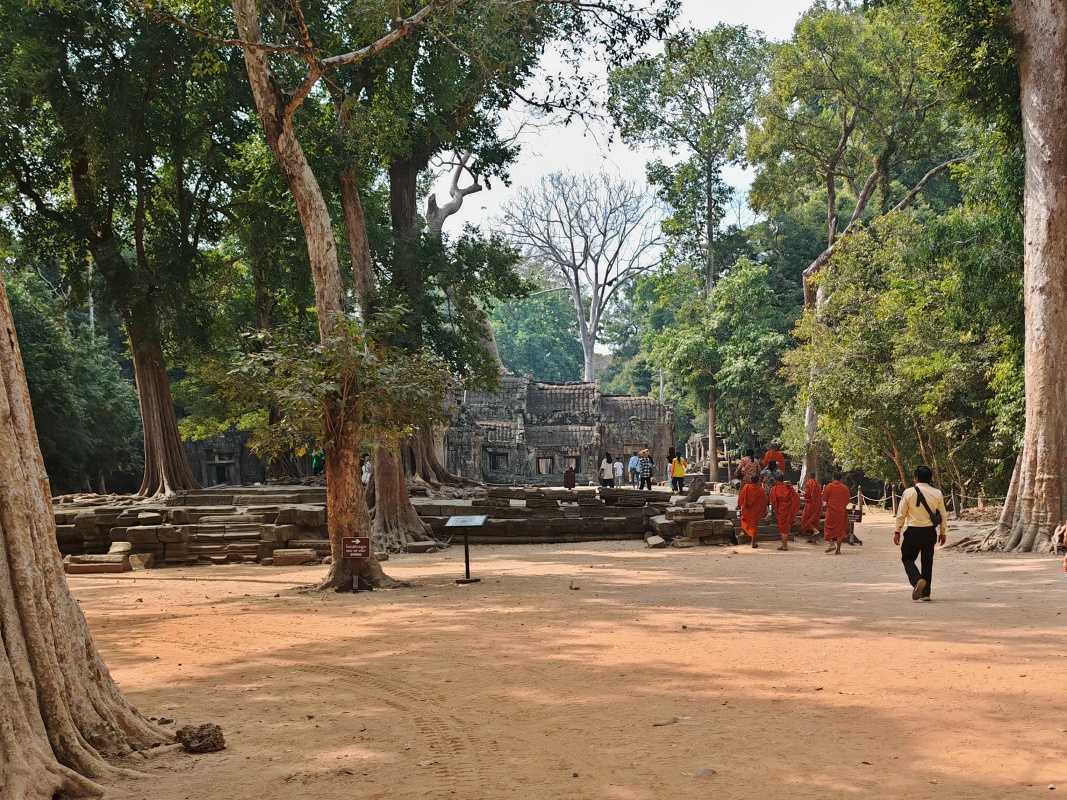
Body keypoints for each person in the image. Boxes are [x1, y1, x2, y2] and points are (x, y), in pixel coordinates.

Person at [893, 465, 948, 601]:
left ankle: (917, 580)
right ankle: (926, 594)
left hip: (913, 531)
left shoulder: (908, 492)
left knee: (907, 558)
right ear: (930, 478)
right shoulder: (937, 493)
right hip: (929, 532)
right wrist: (943, 532)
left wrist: (897, 531)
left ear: (916, 478)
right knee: (927, 562)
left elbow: (901, 514)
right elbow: (943, 514)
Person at [822, 472, 851, 555]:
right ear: (841, 479)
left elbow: (824, 500)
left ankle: (831, 544)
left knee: (828, 528)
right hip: (841, 512)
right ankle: (838, 550)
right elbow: (847, 500)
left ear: (833, 478)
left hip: (831, 512)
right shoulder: (845, 488)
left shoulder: (829, 486)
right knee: (840, 531)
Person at [736, 474, 769, 548]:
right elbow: (764, 501)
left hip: (746, 509)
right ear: (758, 481)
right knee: (754, 525)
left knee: (744, 520)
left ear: (751, 480)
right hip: (755, 510)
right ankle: (753, 542)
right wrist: (764, 510)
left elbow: (741, 496)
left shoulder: (746, 487)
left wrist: (739, 505)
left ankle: (744, 533)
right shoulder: (761, 490)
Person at [769, 480, 801, 551]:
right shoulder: (789, 488)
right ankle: (784, 545)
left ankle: (784, 546)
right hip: (788, 510)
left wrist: (773, 511)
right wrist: (792, 509)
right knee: (785, 528)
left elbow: (773, 501)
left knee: (783, 529)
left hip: (780, 510)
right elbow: (796, 499)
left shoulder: (774, 489)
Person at [800, 476, 823, 543]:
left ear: (809, 477)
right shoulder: (818, 484)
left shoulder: (809, 483)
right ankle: (812, 538)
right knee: (814, 520)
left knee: (805, 520)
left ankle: (815, 531)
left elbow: (807, 495)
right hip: (818, 504)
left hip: (810, 504)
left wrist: (802, 493)